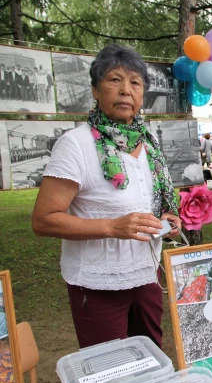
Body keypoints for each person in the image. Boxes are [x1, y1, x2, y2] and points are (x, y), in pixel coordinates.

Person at [31, 44, 182, 349]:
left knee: (152, 358)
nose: (126, 90)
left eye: (135, 83)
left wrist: (167, 221)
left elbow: (147, 205)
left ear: (142, 95)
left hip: (147, 276)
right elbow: (43, 220)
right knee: (109, 373)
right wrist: (112, 227)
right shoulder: (76, 144)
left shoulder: (148, 143)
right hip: (99, 285)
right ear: (95, 90)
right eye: (115, 80)